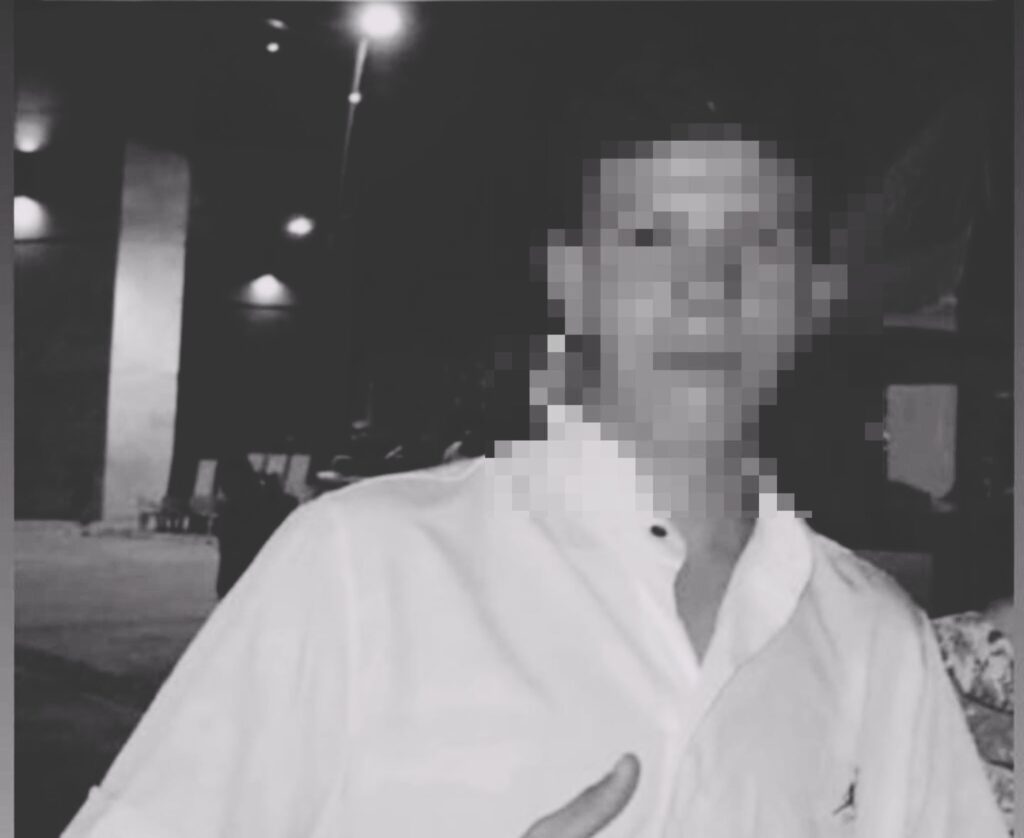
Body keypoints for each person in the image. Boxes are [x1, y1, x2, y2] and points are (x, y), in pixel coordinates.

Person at [63, 124, 1005, 837]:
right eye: (653, 240)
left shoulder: (872, 633)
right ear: (573, 280)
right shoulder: (364, 561)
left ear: (807, 297)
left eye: (758, 245)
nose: (707, 290)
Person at [211, 455, 297, 599]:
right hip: (260, 584)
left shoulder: (230, 512)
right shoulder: (270, 503)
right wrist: (274, 489)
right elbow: (290, 506)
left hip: (236, 586)